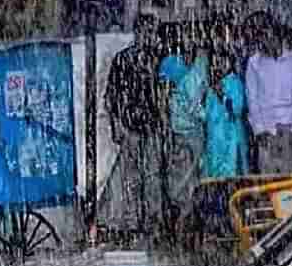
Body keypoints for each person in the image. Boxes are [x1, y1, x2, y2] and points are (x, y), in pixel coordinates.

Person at [105, 12, 166, 241]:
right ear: (138, 33)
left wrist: (162, 125)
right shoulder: (123, 59)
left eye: (152, 31)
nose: (149, 36)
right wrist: (116, 125)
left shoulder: (157, 59)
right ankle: (133, 223)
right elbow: (111, 97)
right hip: (131, 125)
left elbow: (162, 95)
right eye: (146, 31)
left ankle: (152, 222)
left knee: (152, 176)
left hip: (151, 125)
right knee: (132, 177)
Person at [244, 16, 292, 175]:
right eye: (261, 37)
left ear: (278, 36)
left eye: (268, 36)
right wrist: (259, 130)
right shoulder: (254, 63)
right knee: (268, 179)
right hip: (266, 130)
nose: (265, 42)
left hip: (289, 130)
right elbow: (252, 99)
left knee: (289, 179)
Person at [159, 47, 209, 240]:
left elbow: (193, 109)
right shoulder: (188, 81)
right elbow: (196, 109)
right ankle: (186, 222)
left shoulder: (184, 84)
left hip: (186, 136)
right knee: (188, 178)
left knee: (185, 179)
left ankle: (184, 223)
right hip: (189, 136)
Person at [202, 48, 250, 179]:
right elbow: (206, 115)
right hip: (216, 142)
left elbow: (238, 109)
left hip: (231, 138)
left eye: (223, 61)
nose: (219, 64)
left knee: (233, 174)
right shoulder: (211, 88)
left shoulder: (235, 82)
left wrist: (223, 96)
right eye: (217, 61)